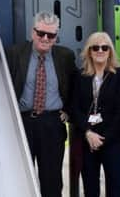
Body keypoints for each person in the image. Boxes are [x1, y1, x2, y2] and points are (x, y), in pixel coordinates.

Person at [6, 11, 77, 197]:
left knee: (52, 181)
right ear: (33, 32)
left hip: (52, 126)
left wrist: (68, 111)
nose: (45, 38)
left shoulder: (65, 57)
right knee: (20, 178)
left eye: (51, 35)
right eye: (41, 33)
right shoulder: (15, 53)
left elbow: (76, 88)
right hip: (22, 125)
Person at [71, 32, 120, 197]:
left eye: (104, 47)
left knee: (115, 188)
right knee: (90, 188)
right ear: (89, 51)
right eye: (95, 47)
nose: (100, 51)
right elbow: (74, 108)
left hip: (113, 142)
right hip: (87, 140)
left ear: (110, 51)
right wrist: (88, 132)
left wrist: (103, 138)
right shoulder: (80, 76)